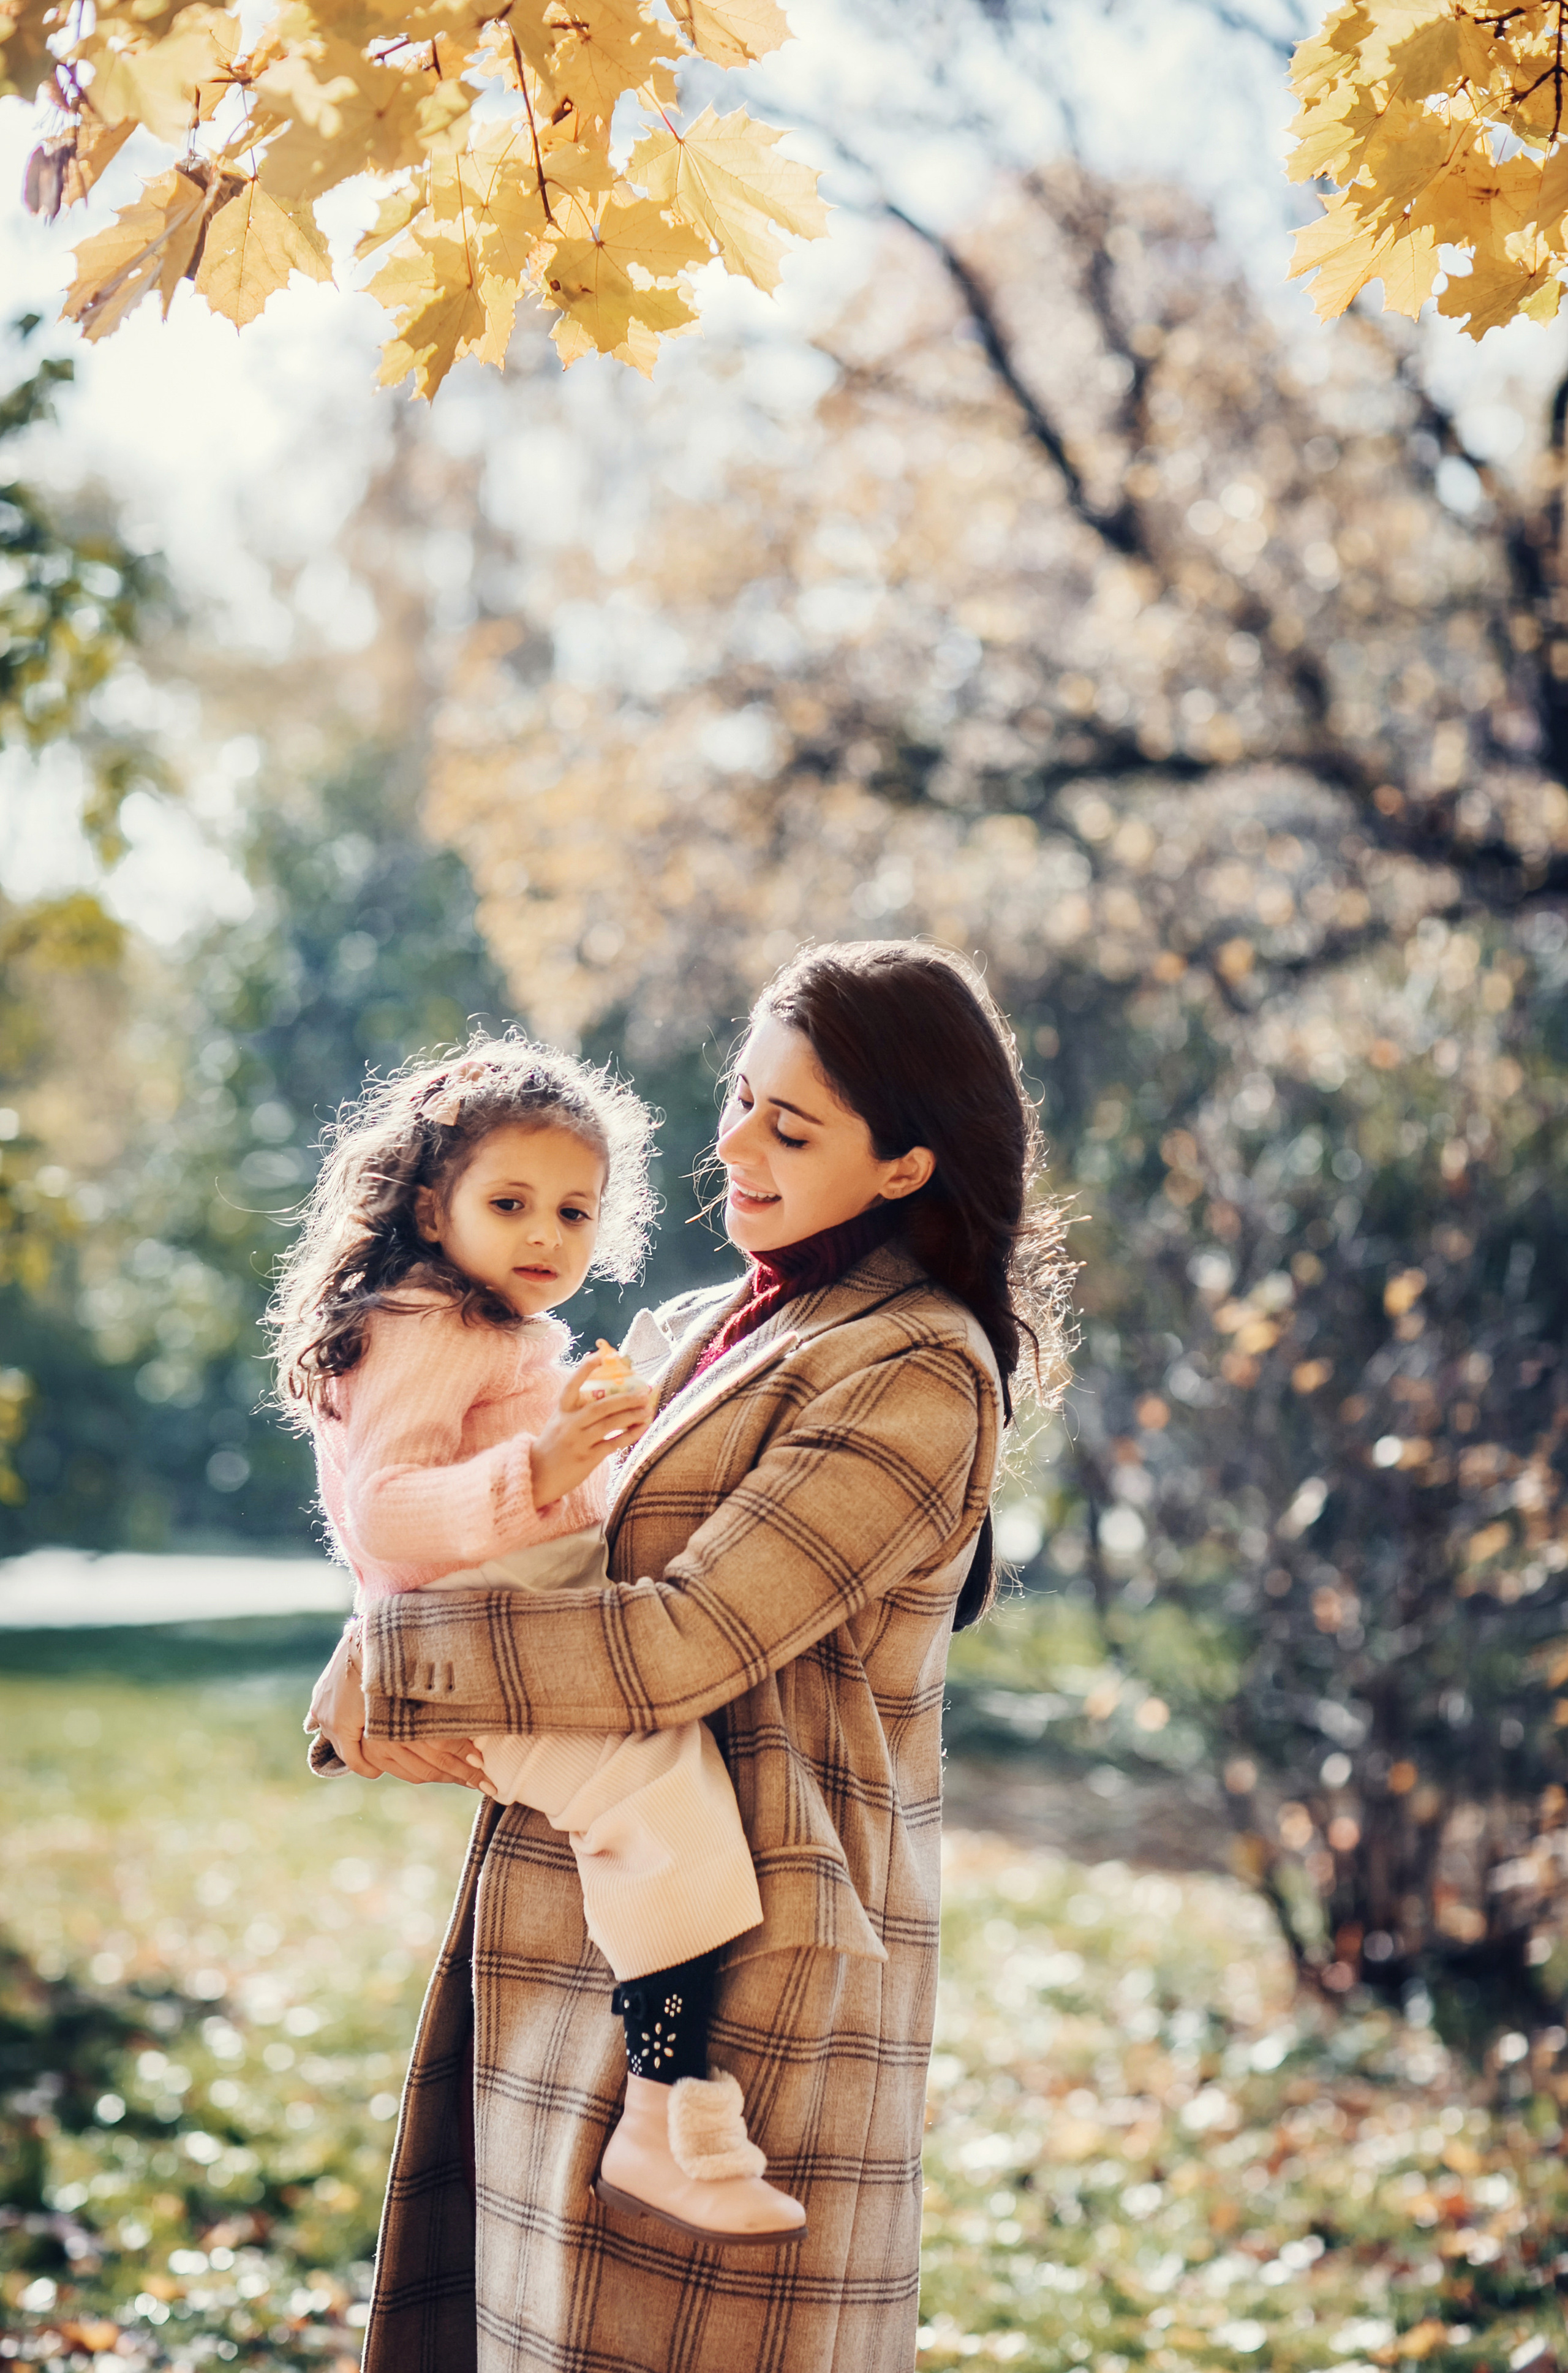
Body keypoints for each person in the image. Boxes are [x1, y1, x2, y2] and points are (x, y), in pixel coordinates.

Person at [307, 940, 1072, 2373]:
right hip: (580, 1919)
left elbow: (683, 1641)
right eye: (737, 1098)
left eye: (789, 1126)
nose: (731, 1145)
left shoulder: (910, 1364)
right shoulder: (681, 1327)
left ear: (905, 1165)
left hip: (748, 1956)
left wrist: (396, 1660)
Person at [273, 1034, 805, 2241]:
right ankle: (671, 2108)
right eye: (509, 1202)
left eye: (574, 1209)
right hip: (486, 1631)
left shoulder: (498, 1328)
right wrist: (551, 1462)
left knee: (671, 1802)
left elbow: (535, 1486)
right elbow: (387, 1510)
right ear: (428, 1202)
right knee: (656, 1804)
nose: (544, 1234)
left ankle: (675, 2106)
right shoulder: (422, 1322)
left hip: (524, 1600)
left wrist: (596, 1437)